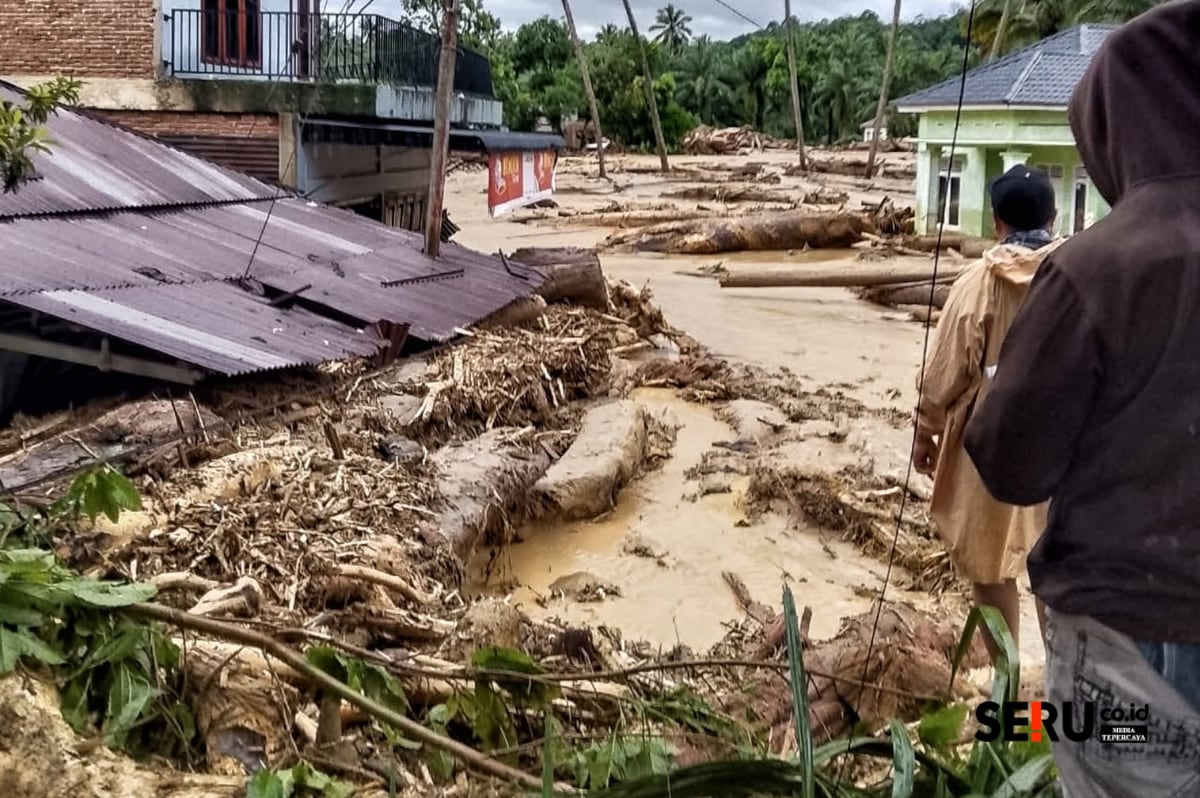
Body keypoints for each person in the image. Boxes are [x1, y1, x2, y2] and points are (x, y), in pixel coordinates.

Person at [964, 3, 1200, 795]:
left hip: (1132, 657)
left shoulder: (1104, 265)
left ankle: (998, 704)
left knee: (1098, 735)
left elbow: (1010, 460)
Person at [913, 164, 1063, 660]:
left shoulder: (975, 286)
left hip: (989, 443)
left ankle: (1010, 686)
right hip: (1068, 442)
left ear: (996, 223)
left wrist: (926, 432)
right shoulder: (1081, 273)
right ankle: (1063, 683)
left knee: (991, 563)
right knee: (1054, 563)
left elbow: (943, 375)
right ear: (1055, 218)